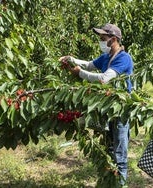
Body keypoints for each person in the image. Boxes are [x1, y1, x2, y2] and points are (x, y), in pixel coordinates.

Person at [59, 23, 133, 185]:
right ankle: (110, 182)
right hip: (107, 108)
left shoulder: (123, 58)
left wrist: (80, 73)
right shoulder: (106, 57)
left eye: (103, 38)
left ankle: (120, 183)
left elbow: (103, 79)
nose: (100, 41)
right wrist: (70, 59)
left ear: (113, 39)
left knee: (120, 154)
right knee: (110, 148)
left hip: (121, 110)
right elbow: (89, 64)